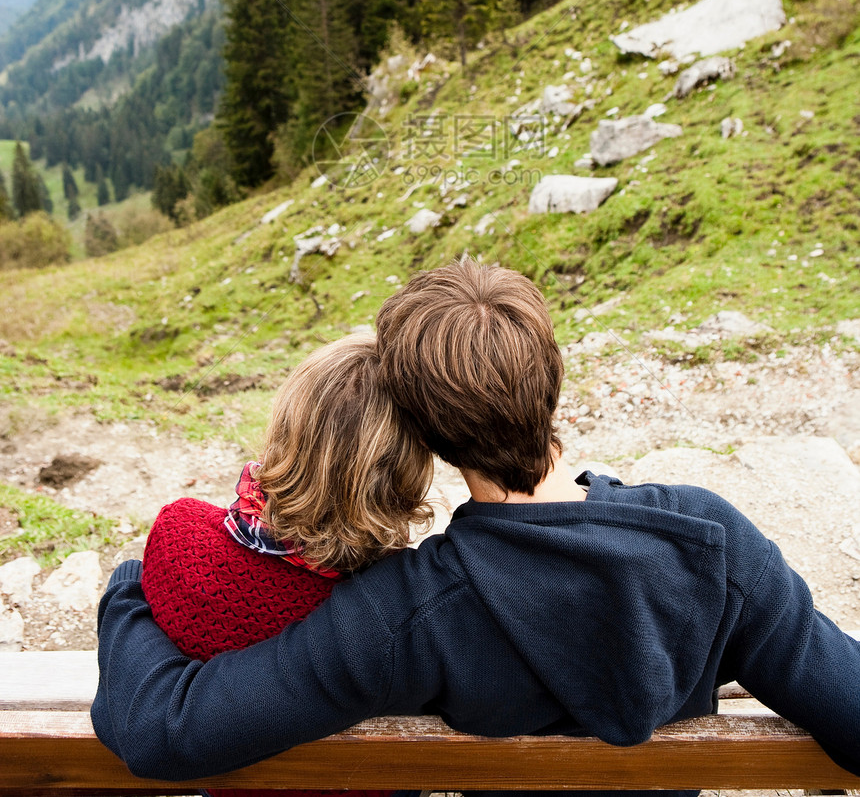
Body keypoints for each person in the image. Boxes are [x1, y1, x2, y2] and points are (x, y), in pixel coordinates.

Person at [92, 259, 860, 794]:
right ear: (551, 378)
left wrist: (129, 589)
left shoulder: (408, 613)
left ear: (428, 440)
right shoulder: (706, 535)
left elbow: (166, 731)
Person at [139, 330, 433, 797]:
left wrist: (120, 589)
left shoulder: (180, 538)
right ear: (407, 467)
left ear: (287, 425)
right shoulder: (414, 599)